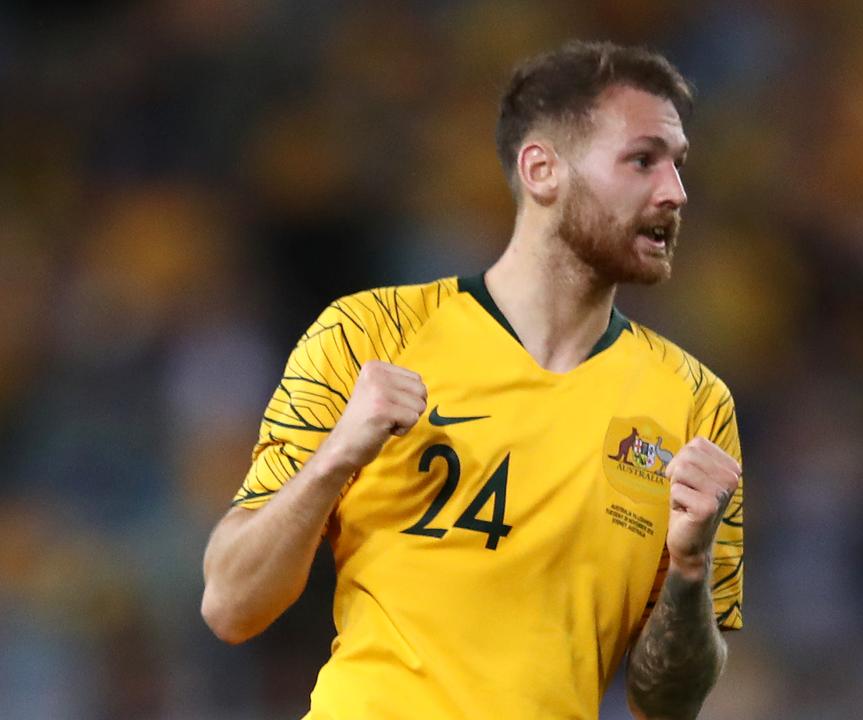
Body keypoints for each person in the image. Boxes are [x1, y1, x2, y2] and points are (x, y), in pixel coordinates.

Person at [200, 40, 744, 720]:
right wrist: (336, 457)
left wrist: (690, 571)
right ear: (543, 170)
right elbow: (229, 603)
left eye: (678, 165)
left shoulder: (694, 407)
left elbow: (667, 704)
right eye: (642, 160)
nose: (675, 192)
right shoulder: (370, 335)